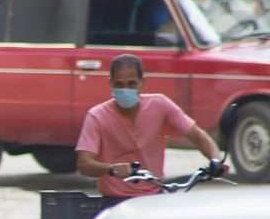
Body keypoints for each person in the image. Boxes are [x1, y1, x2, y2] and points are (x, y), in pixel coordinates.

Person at [76, 55, 225, 198]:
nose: (125, 89)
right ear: (110, 83)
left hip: (153, 197)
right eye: (119, 85)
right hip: (114, 202)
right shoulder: (96, 116)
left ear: (142, 82)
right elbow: (84, 164)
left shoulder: (160, 105)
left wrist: (215, 160)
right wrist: (111, 169)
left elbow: (197, 135)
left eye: (131, 84)